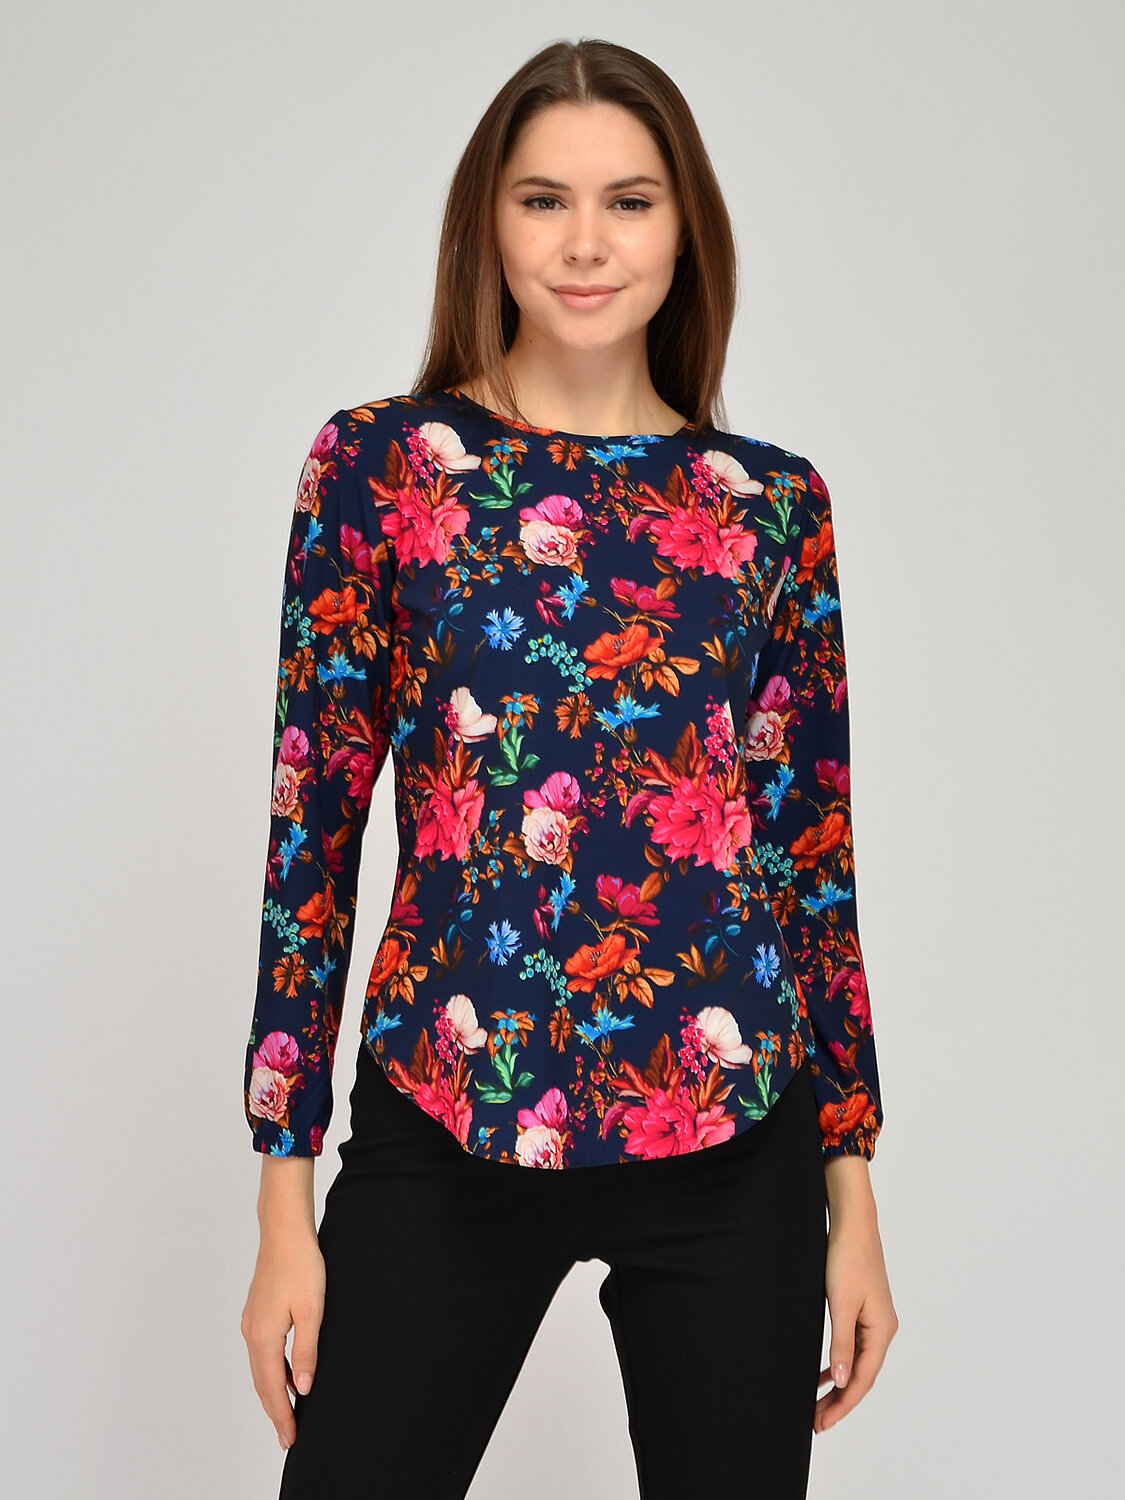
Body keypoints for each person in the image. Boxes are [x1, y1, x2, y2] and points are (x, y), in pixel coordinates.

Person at [240, 36, 898, 1500]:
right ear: (489, 222)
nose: (585, 243)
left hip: (733, 1132)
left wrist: (850, 1187)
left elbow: (807, 851)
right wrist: (284, 1195)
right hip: (449, 1103)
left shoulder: (769, 505)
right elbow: (311, 831)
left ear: (685, 228)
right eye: (543, 200)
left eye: (629, 202)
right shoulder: (383, 468)